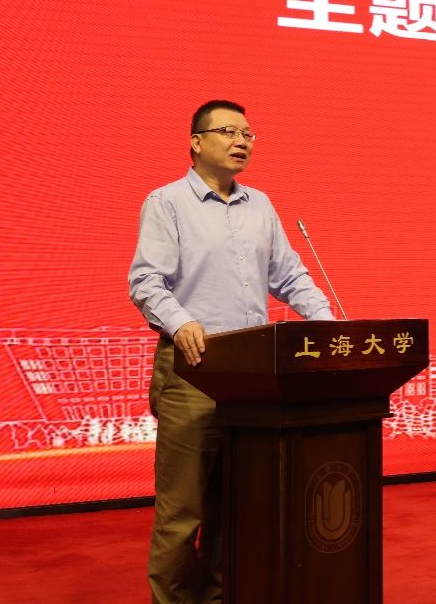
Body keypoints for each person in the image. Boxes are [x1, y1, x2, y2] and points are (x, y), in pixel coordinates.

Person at [129, 99, 335, 604]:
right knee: (183, 513)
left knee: (236, 508)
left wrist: (327, 324)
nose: (242, 141)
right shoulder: (167, 202)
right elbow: (147, 281)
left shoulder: (260, 205)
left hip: (252, 376)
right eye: (228, 131)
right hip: (194, 370)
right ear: (196, 142)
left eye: (248, 133)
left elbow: (289, 276)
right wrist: (181, 323)